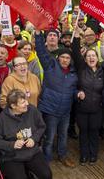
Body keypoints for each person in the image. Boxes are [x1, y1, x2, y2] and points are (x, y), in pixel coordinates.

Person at [34, 30, 78, 168]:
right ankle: (46, 159)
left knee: (63, 135)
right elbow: (41, 51)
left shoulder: (73, 74)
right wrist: (38, 35)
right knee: (50, 136)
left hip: (65, 111)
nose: (65, 60)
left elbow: (73, 89)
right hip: (50, 109)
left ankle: (62, 155)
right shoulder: (50, 66)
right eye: (63, 57)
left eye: (68, 58)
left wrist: (78, 93)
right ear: (58, 58)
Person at [0, 89, 52, 179]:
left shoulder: (32, 110)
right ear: (13, 106)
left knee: (46, 175)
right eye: (23, 102)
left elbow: (42, 127)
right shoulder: (2, 119)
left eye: (26, 100)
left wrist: (34, 139)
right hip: (12, 156)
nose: (27, 103)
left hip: (32, 152)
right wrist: (12, 144)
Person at [72, 26, 104, 165]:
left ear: (97, 58)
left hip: (97, 109)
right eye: (88, 56)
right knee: (83, 132)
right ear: (85, 59)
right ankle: (84, 154)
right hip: (82, 109)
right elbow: (75, 52)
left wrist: (103, 42)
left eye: (93, 56)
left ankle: (93, 154)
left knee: (94, 132)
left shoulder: (103, 71)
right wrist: (77, 36)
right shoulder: (81, 68)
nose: (91, 58)